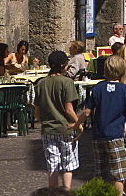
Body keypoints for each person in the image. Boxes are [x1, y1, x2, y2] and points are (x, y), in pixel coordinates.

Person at [75, 53, 126, 195]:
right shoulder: (125, 90)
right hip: (115, 136)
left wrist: (77, 124)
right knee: (118, 173)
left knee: (100, 172)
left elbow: (87, 112)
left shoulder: (98, 88)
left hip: (98, 135)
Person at [33, 50, 80, 191]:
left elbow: (37, 111)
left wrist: (43, 122)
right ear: (62, 65)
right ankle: (65, 192)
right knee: (68, 165)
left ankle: (52, 193)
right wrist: (79, 124)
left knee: (52, 165)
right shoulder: (67, 82)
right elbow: (69, 109)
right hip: (66, 128)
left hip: (48, 129)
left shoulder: (41, 83)